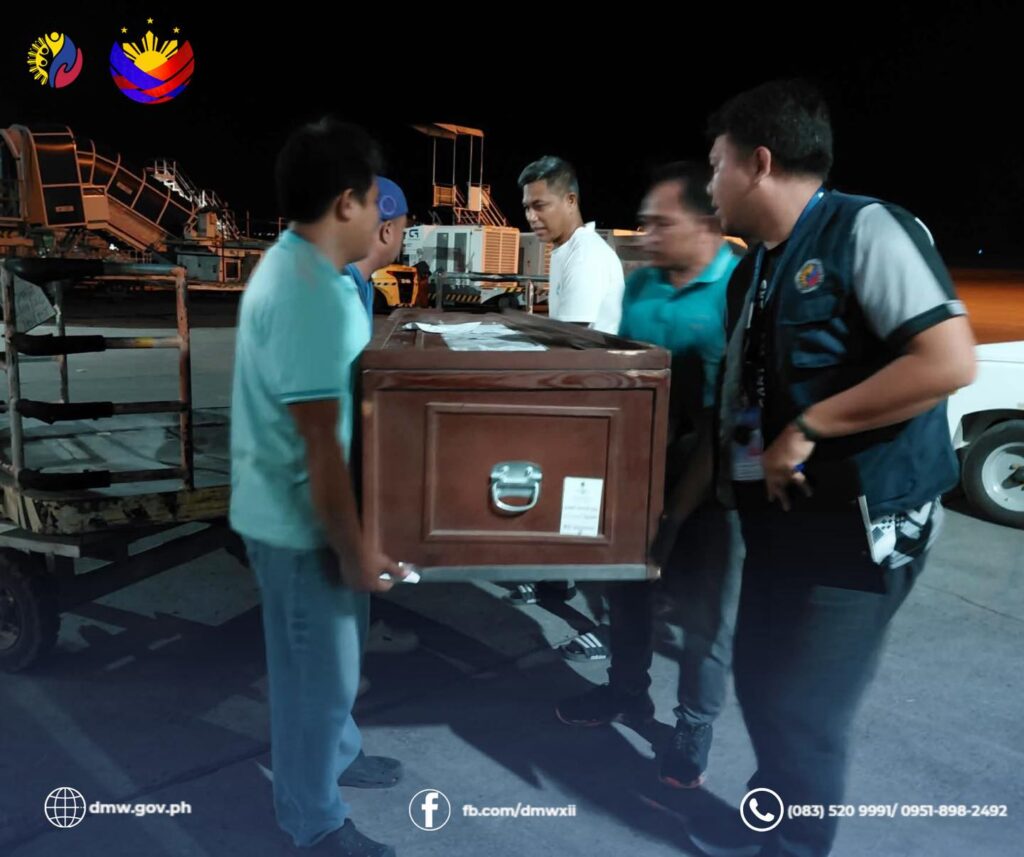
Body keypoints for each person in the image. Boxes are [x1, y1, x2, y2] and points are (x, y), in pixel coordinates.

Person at [230, 118, 411, 856]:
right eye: (372, 199)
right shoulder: (311, 293)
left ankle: (338, 757)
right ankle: (315, 823)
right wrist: (356, 548)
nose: (380, 220)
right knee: (313, 679)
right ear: (346, 203)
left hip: (290, 513)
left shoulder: (301, 270)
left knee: (329, 670)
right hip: (300, 523)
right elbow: (319, 447)